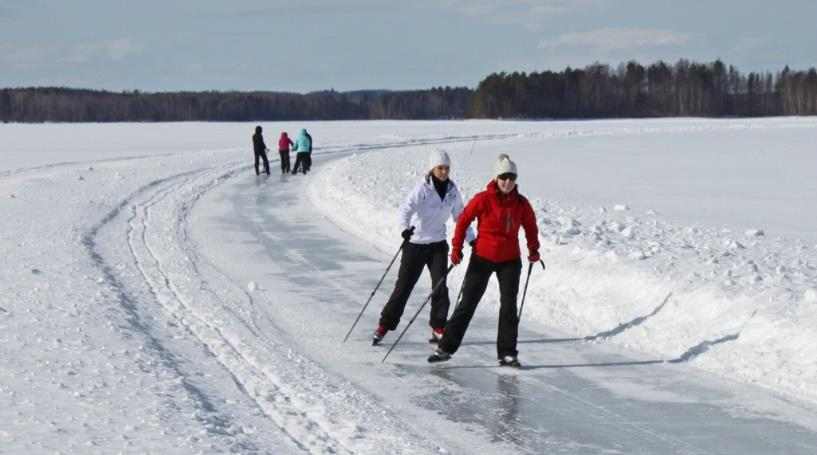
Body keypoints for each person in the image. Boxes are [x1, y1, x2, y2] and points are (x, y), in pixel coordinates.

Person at [428, 154, 539, 368]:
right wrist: (457, 248)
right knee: (468, 302)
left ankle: (507, 353)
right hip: (483, 257)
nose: (507, 182)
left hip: (510, 260)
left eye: (512, 177)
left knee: (508, 306)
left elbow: (531, 226)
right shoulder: (483, 199)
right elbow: (463, 221)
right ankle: (445, 347)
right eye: (504, 177)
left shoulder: (521, 203)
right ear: (496, 178)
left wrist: (533, 249)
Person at [372, 149, 475, 346]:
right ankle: (384, 325)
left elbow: (461, 218)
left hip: (437, 245)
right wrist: (404, 229)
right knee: (404, 287)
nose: (444, 172)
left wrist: (471, 239)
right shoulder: (422, 188)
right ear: (432, 169)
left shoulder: (453, 191)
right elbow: (406, 209)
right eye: (440, 168)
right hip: (416, 245)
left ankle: (438, 327)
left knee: (440, 286)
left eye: (446, 168)